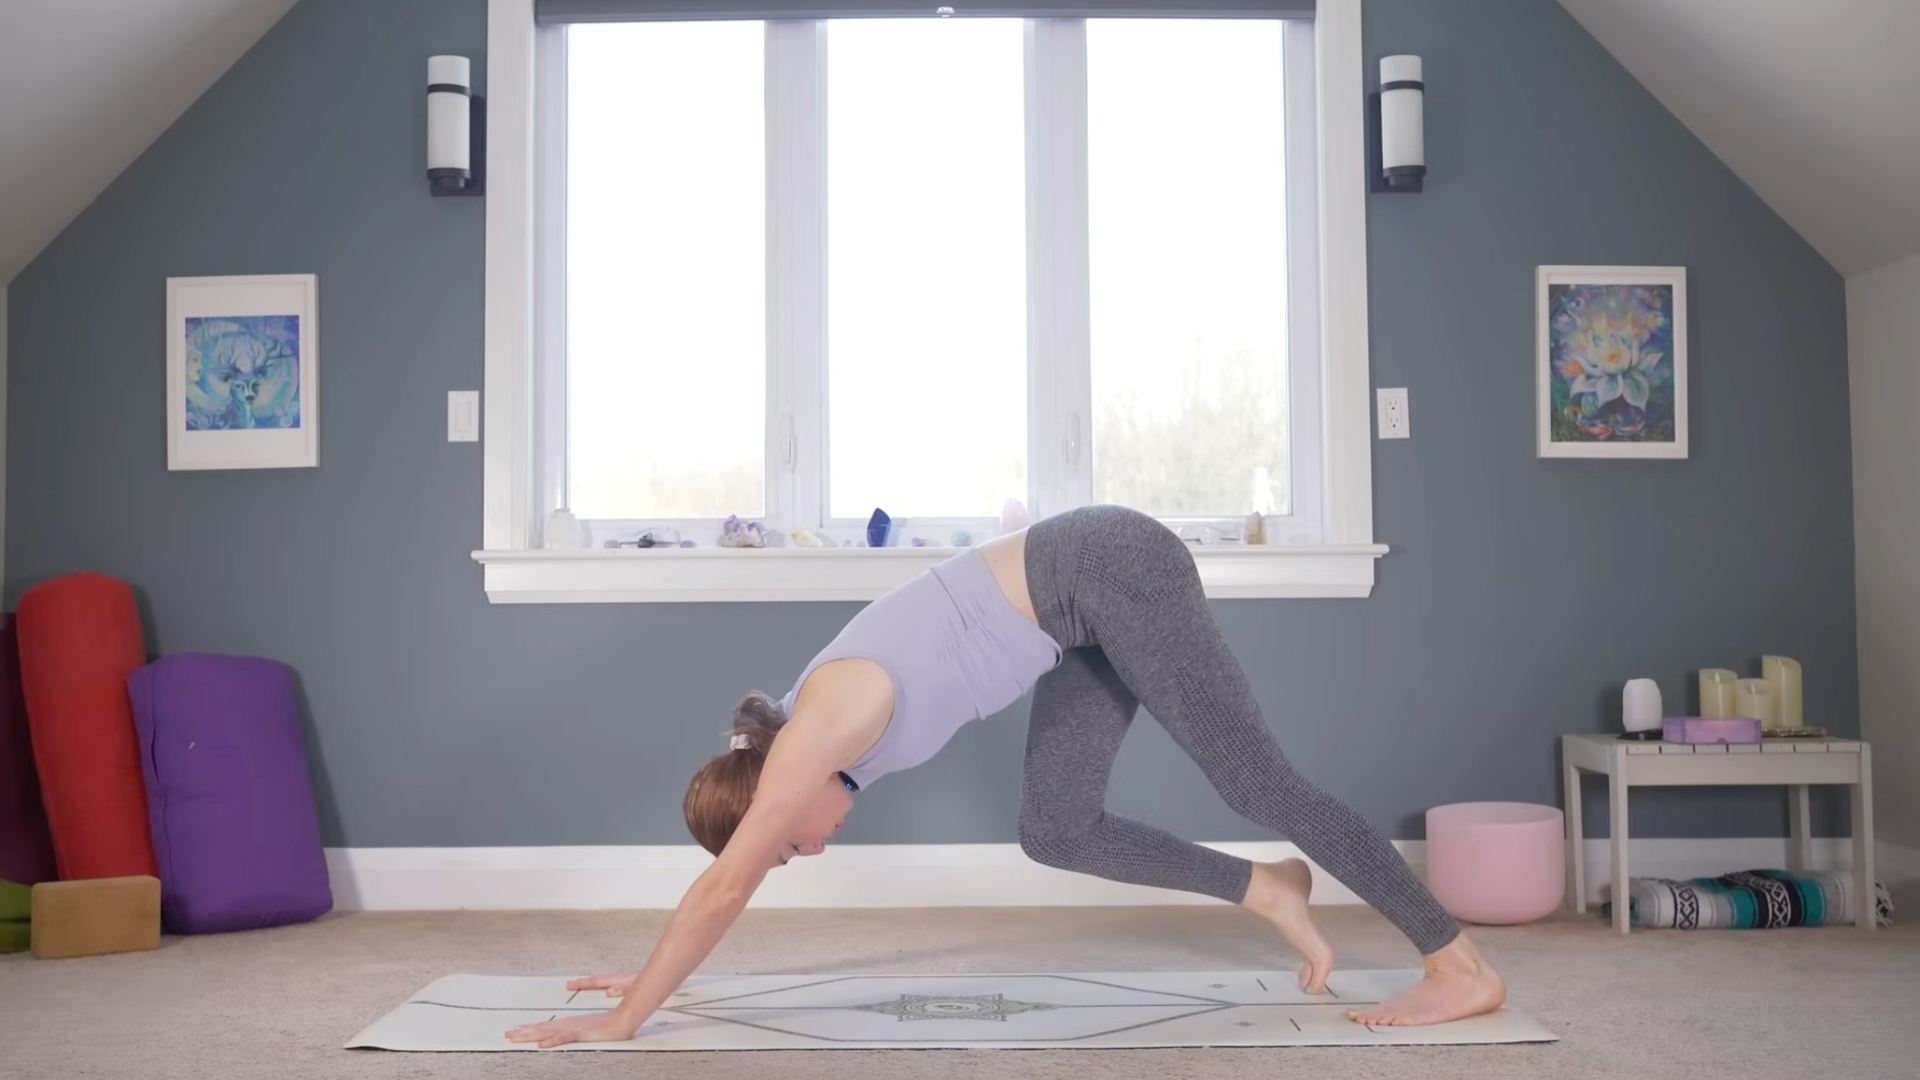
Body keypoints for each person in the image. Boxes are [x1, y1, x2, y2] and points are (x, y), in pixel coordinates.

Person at [506, 504, 1505, 1049]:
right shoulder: (819, 758)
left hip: (1107, 566)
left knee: (1258, 784)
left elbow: (727, 884)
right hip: (1074, 621)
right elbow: (731, 880)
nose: (805, 849)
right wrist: (652, 973)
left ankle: (1458, 966)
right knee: (1057, 824)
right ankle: (1268, 885)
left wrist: (624, 1020)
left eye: (788, 842)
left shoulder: (823, 725)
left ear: (774, 788)